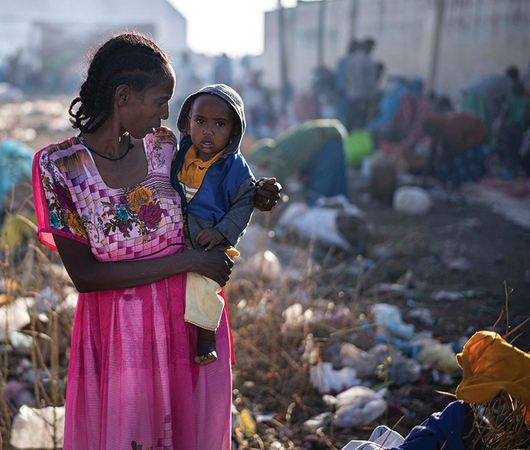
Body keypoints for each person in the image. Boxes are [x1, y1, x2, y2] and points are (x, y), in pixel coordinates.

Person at [31, 33, 281, 449]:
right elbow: (86, 276)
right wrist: (189, 263)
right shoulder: (60, 168)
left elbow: (217, 180)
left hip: (183, 323)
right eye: (160, 100)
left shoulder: (164, 147)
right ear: (123, 96)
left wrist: (254, 195)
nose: (168, 113)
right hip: (119, 336)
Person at [171, 84, 254, 366]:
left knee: (204, 285)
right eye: (200, 122)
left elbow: (244, 203)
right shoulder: (178, 154)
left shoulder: (235, 167)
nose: (208, 131)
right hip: (175, 232)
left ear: (234, 131)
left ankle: (206, 336)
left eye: (220, 124)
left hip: (209, 240)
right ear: (187, 122)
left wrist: (221, 233)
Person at [248, 119, 348, 205]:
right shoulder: (283, 143)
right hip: (333, 135)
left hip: (326, 142)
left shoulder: (279, 155)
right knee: (338, 185)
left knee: (319, 194)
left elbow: (278, 181)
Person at [460, 66, 520, 139]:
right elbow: (509, 104)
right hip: (481, 99)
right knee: (483, 127)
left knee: (466, 124)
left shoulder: (497, 78)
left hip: (469, 95)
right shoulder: (510, 83)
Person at [495, 82, 530, 176]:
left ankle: (509, 169)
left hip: (509, 128)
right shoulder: (526, 101)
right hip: (520, 128)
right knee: (517, 148)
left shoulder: (509, 99)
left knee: (508, 148)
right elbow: (528, 116)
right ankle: (516, 168)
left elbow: (504, 113)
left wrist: (499, 127)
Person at [343, 38, 376, 131]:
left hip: (351, 94)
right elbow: (362, 79)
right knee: (361, 122)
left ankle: (345, 141)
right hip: (361, 96)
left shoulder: (351, 58)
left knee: (351, 120)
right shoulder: (364, 59)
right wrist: (369, 95)